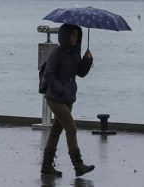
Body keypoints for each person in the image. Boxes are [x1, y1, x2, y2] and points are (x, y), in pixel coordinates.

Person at [41, 23, 94, 177]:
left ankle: (46, 167)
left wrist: (87, 60)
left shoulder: (75, 53)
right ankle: (78, 165)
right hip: (55, 97)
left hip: (68, 98)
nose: (75, 38)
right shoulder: (57, 52)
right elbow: (48, 74)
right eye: (72, 35)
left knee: (55, 132)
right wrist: (59, 89)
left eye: (77, 35)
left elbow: (81, 73)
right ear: (65, 35)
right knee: (71, 129)